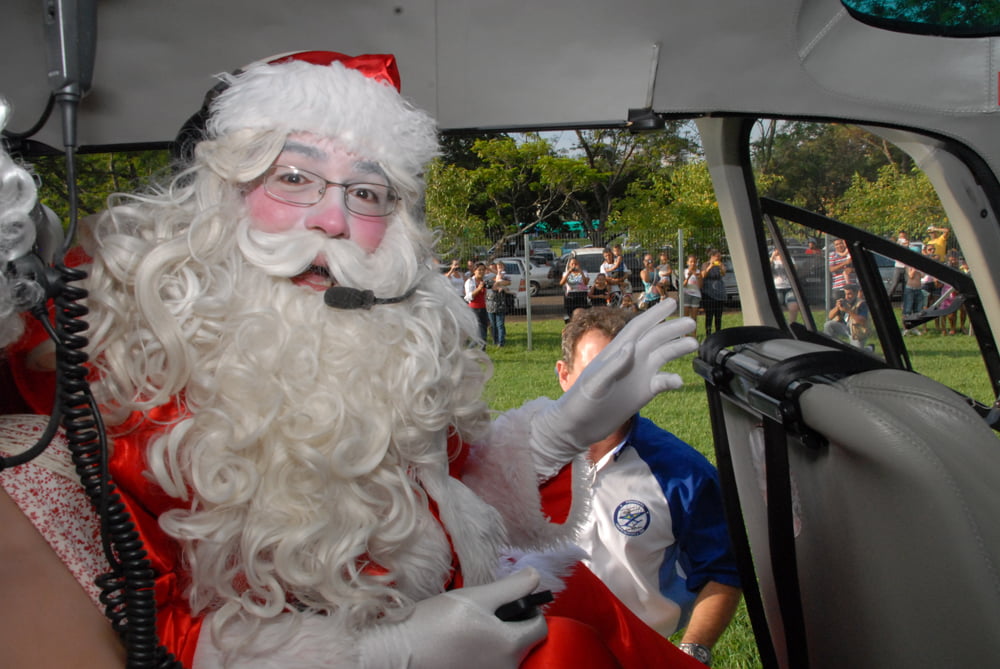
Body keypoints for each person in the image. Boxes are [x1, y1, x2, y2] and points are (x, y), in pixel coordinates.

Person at [0, 51, 706, 669]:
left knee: (587, 623)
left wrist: (558, 431)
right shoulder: (128, 380)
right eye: (296, 179)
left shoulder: (378, 337)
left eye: (365, 192)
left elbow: (444, 491)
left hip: (486, 607)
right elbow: (136, 627)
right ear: (218, 194)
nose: (333, 220)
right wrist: (377, 657)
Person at [555, 307, 741, 666]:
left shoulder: (684, 473)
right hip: (542, 647)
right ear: (564, 375)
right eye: (593, 374)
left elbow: (722, 573)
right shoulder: (517, 457)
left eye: (622, 375)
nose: (606, 389)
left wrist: (691, 654)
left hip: (640, 653)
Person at [823, 284, 870, 348]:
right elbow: (830, 316)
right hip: (844, 326)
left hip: (857, 330)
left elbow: (862, 321)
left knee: (857, 352)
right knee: (828, 325)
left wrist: (848, 310)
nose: (847, 296)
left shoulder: (861, 304)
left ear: (856, 293)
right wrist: (837, 307)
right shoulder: (843, 301)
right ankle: (831, 345)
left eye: (849, 294)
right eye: (845, 294)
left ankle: (869, 348)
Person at [700, 250, 727, 337]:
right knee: (709, 315)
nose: (719, 258)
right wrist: (710, 266)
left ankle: (718, 333)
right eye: (717, 256)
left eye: (719, 256)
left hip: (719, 292)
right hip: (709, 293)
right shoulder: (705, 264)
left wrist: (721, 267)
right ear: (712, 256)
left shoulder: (720, 264)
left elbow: (723, 273)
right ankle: (708, 333)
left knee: (718, 315)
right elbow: (703, 275)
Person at [769, 248, 799, 325]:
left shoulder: (788, 258)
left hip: (789, 287)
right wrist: (772, 257)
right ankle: (778, 325)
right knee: (774, 309)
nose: (778, 251)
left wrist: (784, 260)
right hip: (777, 288)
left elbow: (795, 269)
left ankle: (792, 325)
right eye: (776, 250)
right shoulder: (772, 259)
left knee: (794, 307)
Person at [485, 260, 510, 347]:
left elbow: (507, 282)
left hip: (500, 305)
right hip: (490, 306)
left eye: (500, 267)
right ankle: (495, 341)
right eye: (497, 266)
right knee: (492, 325)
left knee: (499, 324)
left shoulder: (503, 275)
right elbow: (492, 287)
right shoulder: (488, 279)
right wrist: (498, 284)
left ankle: (501, 342)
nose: (498, 268)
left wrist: (500, 284)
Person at [465, 261, 491, 344]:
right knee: (477, 332)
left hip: (483, 308)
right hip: (474, 309)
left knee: (484, 330)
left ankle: (482, 350)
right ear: (474, 271)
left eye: (483, 270)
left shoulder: (483, 281)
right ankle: (471, 349)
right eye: (479, 270)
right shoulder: (470, 282)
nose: (482, 272)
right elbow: (468, 297)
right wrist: (478, 289)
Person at [559, 256, 590, 321]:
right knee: (571, 313)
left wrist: (581, 272)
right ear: (569, 265)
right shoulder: (566, 273)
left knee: (582, 313)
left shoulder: (584, 272)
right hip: (571, 295)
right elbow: (561, 283)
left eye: (576, 264)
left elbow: (586, 283)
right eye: (572, 264)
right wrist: (568, 273)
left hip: (582, 294)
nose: (574, 266)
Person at [682, 255, 702, 333]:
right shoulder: (684, 271)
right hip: (686, 294)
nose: (693, 263)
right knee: (685, 317)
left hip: (696, 295)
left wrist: (697, 276)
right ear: (687, 262)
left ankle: (694, 335)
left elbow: (700, 286)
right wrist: (688, 277)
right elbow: (683, 285)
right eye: (691, 262)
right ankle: (685, 335)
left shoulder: (698, 272)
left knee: (694, 318)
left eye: (694, 262)